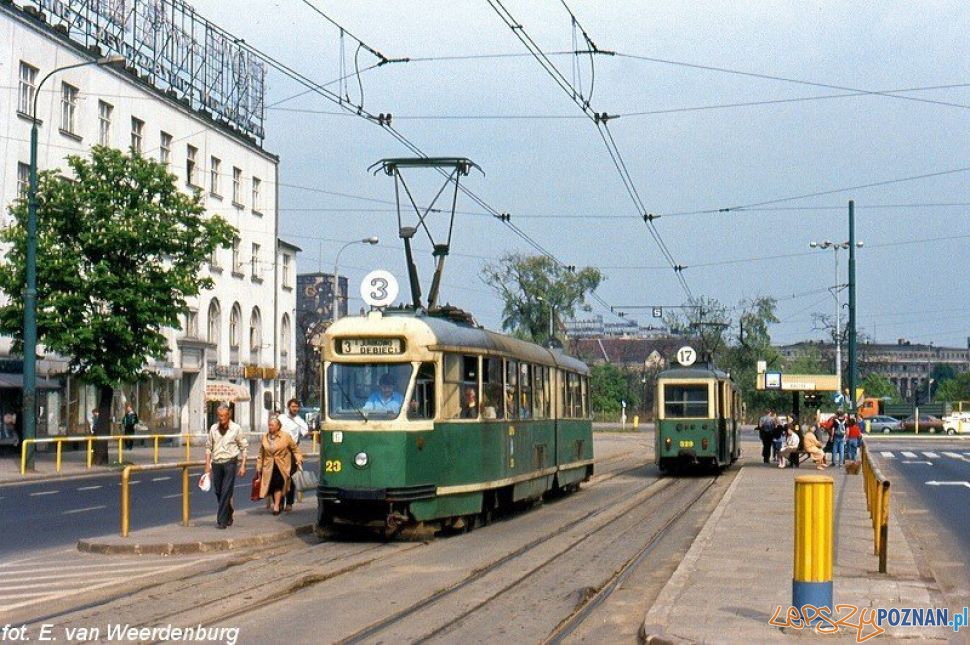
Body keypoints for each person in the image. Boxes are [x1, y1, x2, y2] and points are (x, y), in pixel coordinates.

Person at [204, 403, 248, 529]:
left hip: (230, 462)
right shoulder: (213, 428)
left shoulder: (236, 428)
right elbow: (208, 447)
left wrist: (243, 465)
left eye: (223, 416)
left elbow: (243, 447)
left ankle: (221, 520)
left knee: (226, 490)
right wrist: (207, 464)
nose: (221, 418)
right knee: (218, 491)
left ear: (228, 415)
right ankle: (228, 512)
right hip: (216, 462)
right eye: (219, 416)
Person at [255, 416, 303, 515]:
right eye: (269, 425)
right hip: (269, 466)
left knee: (279, 484)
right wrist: (259, 467)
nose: (270, 427)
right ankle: (279, 503)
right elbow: (261, 453)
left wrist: (299, 460)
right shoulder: (265, 437)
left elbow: (295, 449)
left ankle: (276, 505)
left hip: (282, 465)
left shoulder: (285, 436)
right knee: (272, 486)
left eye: (272, 425)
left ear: (278, 426)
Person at [279, 398, 309, 511]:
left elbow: (306, 432)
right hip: (280, 450)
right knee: (279, 478)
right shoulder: (281, 418)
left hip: (292, 451)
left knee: (291, 477)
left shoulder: (299, 421)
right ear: (288, 407)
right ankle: (279, 502)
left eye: (297, 407)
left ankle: (289, 503)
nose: (295, 409)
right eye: (293, 406)